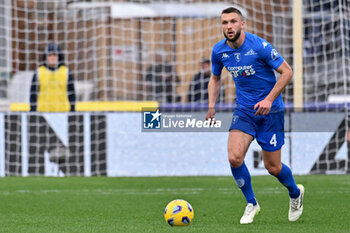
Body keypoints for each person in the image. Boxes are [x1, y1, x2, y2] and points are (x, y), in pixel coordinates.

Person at [206, 7, 304, 224]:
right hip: (244, 111)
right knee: (234, 157)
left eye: (233, 21)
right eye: (224, 22)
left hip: (271, 112)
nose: (228, 26)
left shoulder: (259, 46)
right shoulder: (219, 51)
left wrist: (268, 100)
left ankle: (295, 193)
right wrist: (211, 105)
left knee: (273, 167)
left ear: (243, 24)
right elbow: (215, 78)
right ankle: (251, 202)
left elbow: (287, 72)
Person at [30, 42, 75, 112]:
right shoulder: (39, 72)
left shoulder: (65, 71)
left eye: (54, 55)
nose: (52, 57)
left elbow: (72, 94)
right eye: (50, 55)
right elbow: (33, 94)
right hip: (43, 113)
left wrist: (72, 110)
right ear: (46, 57)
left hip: (63, 112)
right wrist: (33, 111)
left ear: (58, 56)